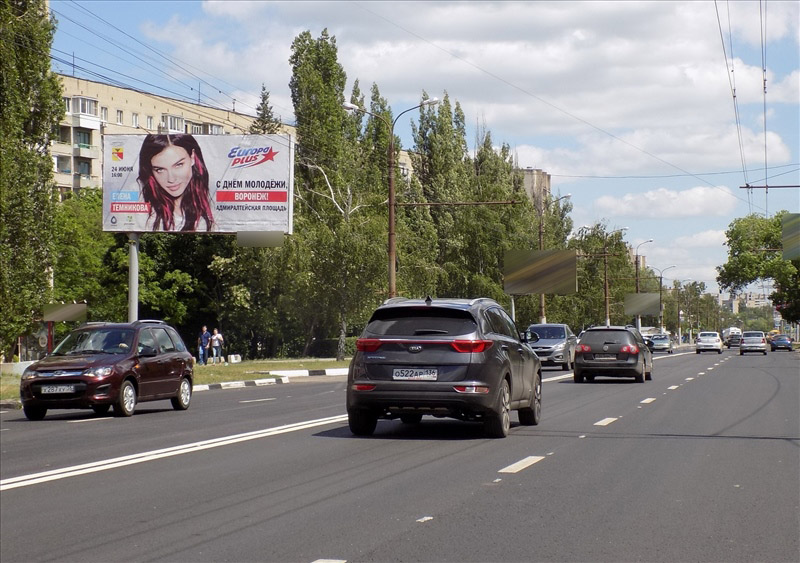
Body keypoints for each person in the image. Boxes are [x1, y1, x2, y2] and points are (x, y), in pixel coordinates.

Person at [138, 133, 214, 232]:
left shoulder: (213, 202)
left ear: (192, 157)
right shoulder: (142, 205)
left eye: (178, 165)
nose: (171, 179)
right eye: (160, 170)